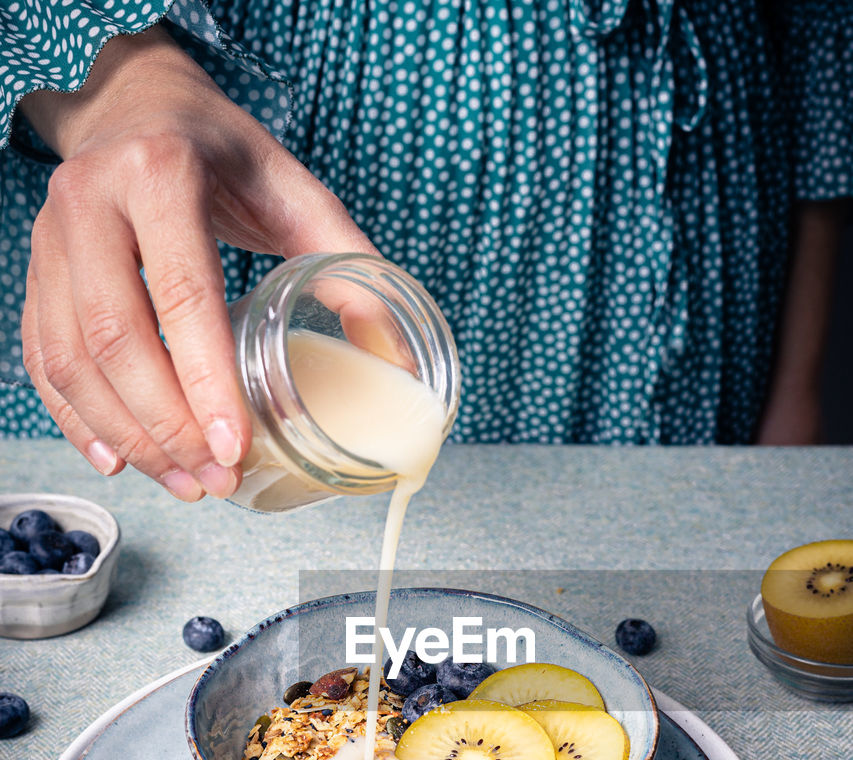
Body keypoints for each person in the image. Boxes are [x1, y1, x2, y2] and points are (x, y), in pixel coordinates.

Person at [0, 0, 850, 502]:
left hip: (692, 180)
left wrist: (799, 375)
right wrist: (117, 87)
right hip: (262, 119)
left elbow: (824, 22)